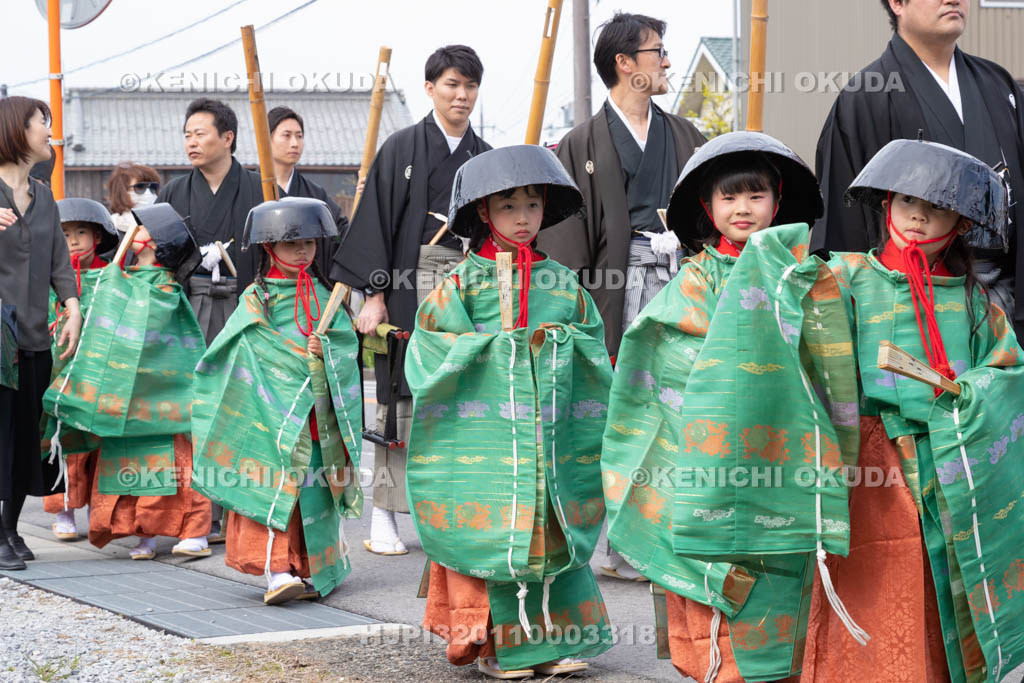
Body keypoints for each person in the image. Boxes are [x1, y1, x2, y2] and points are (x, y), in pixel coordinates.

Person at [611, 139, 1024, 681]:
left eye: (938, 209)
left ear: (964, 225)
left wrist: (969, 395)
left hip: (942, 466)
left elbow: (1007, 375)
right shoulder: (840, 278)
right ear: (884, 206)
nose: (919, 219)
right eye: (907, 205)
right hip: (860, 461)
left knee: (935, 590)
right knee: (855, 591)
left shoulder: (975, 301)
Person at [601, 131, 826, 681]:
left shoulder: (801, 275)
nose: (743, 209)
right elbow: (660, 357)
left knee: (782, 564)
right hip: (703, 456)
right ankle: (716, 671)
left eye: (755, 196)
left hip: (783, 455)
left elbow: (827, 360)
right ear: (707, 207)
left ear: (777, 201)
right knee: (711, 561)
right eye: (728, 197)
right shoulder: (693, 279)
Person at [407, 145, 614, 679]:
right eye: (507, 207)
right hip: (484, 441)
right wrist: (491, 350)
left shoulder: (565, 284)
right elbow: (428, 354)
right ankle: (494, 648)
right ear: (483, 213)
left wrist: (557, 341)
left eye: (532, 205)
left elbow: (593, 349)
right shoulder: (457, 285)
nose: (522, 219)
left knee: (548, 527)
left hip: (549, 437)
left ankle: (547, 643)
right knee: (493, 530)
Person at [332, 45, 491, 555]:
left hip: (467, 284)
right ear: (430, 88)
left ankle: (452, 510)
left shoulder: (484, 156)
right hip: (408, 279)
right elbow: (375, 222)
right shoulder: (401, 148)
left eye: (469, 85)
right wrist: (373, 295)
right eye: (451, 84)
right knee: (399, 395)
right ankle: (384, 514)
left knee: (459, 395)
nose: (461, 95)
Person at [814, 0, 1024, 339]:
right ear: (896, 3)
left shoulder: (998, 85)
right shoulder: (865, 96)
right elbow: (843, 222)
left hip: (1005, 305)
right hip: (906, 306)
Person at [191, 197, 363, 605]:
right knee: (272, 488)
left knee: (313, 491)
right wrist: (288, 358)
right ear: (269, 248)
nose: (302, 250)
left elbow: (346, 345)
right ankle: (277, 571)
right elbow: (241, 348)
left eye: (309, 241)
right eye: (291, 243)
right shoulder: (256, 298)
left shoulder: (331, 296)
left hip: (316, 414)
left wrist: (327, 353)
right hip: (268, 414)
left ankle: (312, 569)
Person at [43, 203, 211, 560]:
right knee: (125, 461)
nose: (136, 233)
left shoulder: (161, 285)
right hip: (128, 391)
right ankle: (141, 532)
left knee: (178, 461)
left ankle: (195, 530)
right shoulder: (126, 277)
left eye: (146, 230)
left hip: (163, 391)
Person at [538, 11, 707, 357]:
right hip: (615, 288)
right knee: (624, 385)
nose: (668, 62)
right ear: (624, 62)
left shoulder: (685, 135)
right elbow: (567, 243)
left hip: (685, 282)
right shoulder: (579, 143)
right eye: (658, 52)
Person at [0, 96, 82, 570]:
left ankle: (10, 527)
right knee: (0, 432)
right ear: (15, 131)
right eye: (42, 124)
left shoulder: (43, 194)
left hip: (34, 333)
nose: (49, 133)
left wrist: (72, 307)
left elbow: (58, 261)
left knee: (27, 431)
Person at [43, 198, 119, 540]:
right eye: (65, 234)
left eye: (81, 232)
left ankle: (101, 514)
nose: (73, 241)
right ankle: (64, 510)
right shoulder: (46, 276)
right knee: (59, 440)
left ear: (98, 237)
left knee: (99, 445)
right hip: (59, 369)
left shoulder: (113, 276)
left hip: (101, 372)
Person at [158, 97, 263, 342]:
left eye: (200, 134)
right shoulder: (173, 193)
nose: (191, 143)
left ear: (228, 138)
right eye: (187, 136)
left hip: (247, 306)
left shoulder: (261, 190)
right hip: (187, 304)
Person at [268, 106, 349, 276]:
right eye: (286, 135)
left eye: (299, 136)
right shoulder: (248, 187)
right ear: (267, 139)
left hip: (307, 289)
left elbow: (342, 235)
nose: (295, 143)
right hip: (262, 291)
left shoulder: (315, 195)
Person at [106, 161, 161, 234]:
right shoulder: (109, 229)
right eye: (140, 187)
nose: (148, 192)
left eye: (153, 187)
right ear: (122, 191)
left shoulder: (165, 226)